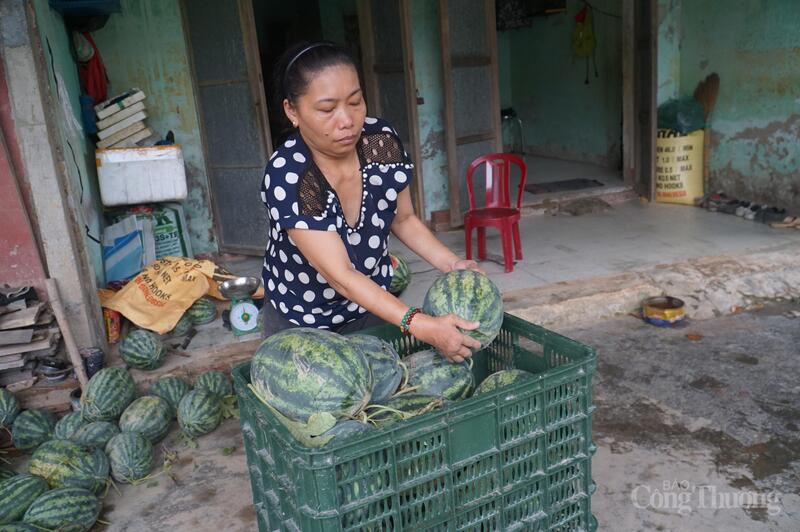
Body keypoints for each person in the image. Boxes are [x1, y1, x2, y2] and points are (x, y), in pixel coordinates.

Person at [260, 41, 481, 363]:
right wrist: (419, 324)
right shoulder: (289, 176)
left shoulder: (381, 141)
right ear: (292, 111)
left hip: (370, 305)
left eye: (355, 101)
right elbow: (341, 275)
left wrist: (452, 264)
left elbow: (403, 219)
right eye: (326, 109)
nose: (347, 120)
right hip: (301, 320)